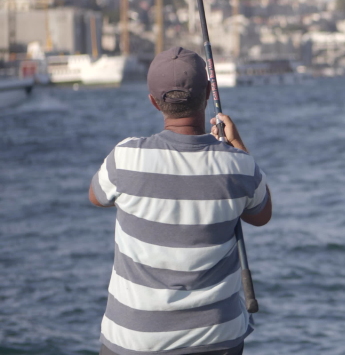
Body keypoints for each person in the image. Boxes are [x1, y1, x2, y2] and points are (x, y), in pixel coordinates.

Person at [89, 47, 272, 355]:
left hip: (134, 341)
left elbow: (97, 197)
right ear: (207, 96)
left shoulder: (125, 157)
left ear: (153, 101)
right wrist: (236, 143)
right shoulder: (239, 165)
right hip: (216, 339)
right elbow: (261, 214)